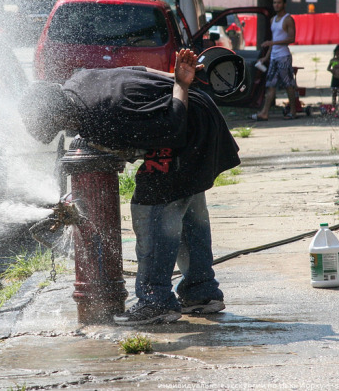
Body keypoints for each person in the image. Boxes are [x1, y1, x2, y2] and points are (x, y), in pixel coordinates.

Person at [19, 49, 241, 326]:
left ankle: (155, 302)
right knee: (187, 208)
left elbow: (171, 127)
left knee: (152, 210)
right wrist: (177, 80)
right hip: (196, 114)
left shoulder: (100, 115)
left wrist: (181, 85)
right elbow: (140, 71)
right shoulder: (78, 82)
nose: (66, 129)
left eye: (60, 126)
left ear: (57, 115)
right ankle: (201, 293)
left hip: (185, 125)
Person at [250, 0, 297, 121]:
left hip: (283, 56)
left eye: (279, 2)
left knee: (288, 84)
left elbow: (291, 39)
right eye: (274, 2)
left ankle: (293, 111)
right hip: (274, 57)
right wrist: (265, 57)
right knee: (270, 85)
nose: (276, 5)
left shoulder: (288, 19)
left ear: (284, 4)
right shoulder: (273, 19)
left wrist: (273, 43)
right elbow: (274, 40)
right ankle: (264, 112)